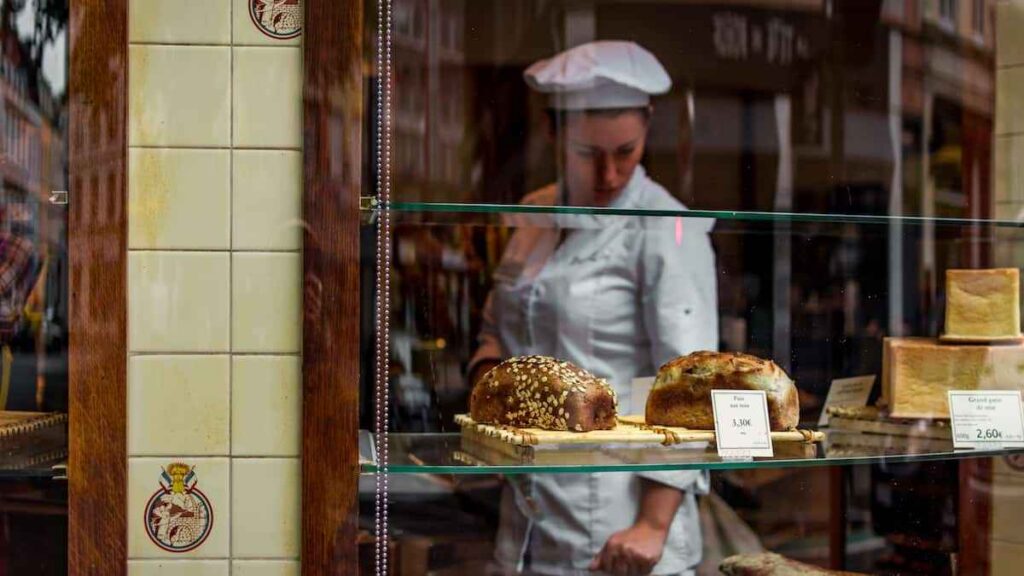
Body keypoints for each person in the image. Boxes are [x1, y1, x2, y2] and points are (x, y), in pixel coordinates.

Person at [468, 41, 719, 576]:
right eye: (588, 154)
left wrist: (652, 525)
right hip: (525, 516)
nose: (609, 174)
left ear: (648, 128)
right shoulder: (533, 214)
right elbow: (498, 329)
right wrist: (491, 392)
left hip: (621, 527)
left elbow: (689, 389)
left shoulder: (667, 227)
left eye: (626, 151)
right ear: (552, 132)